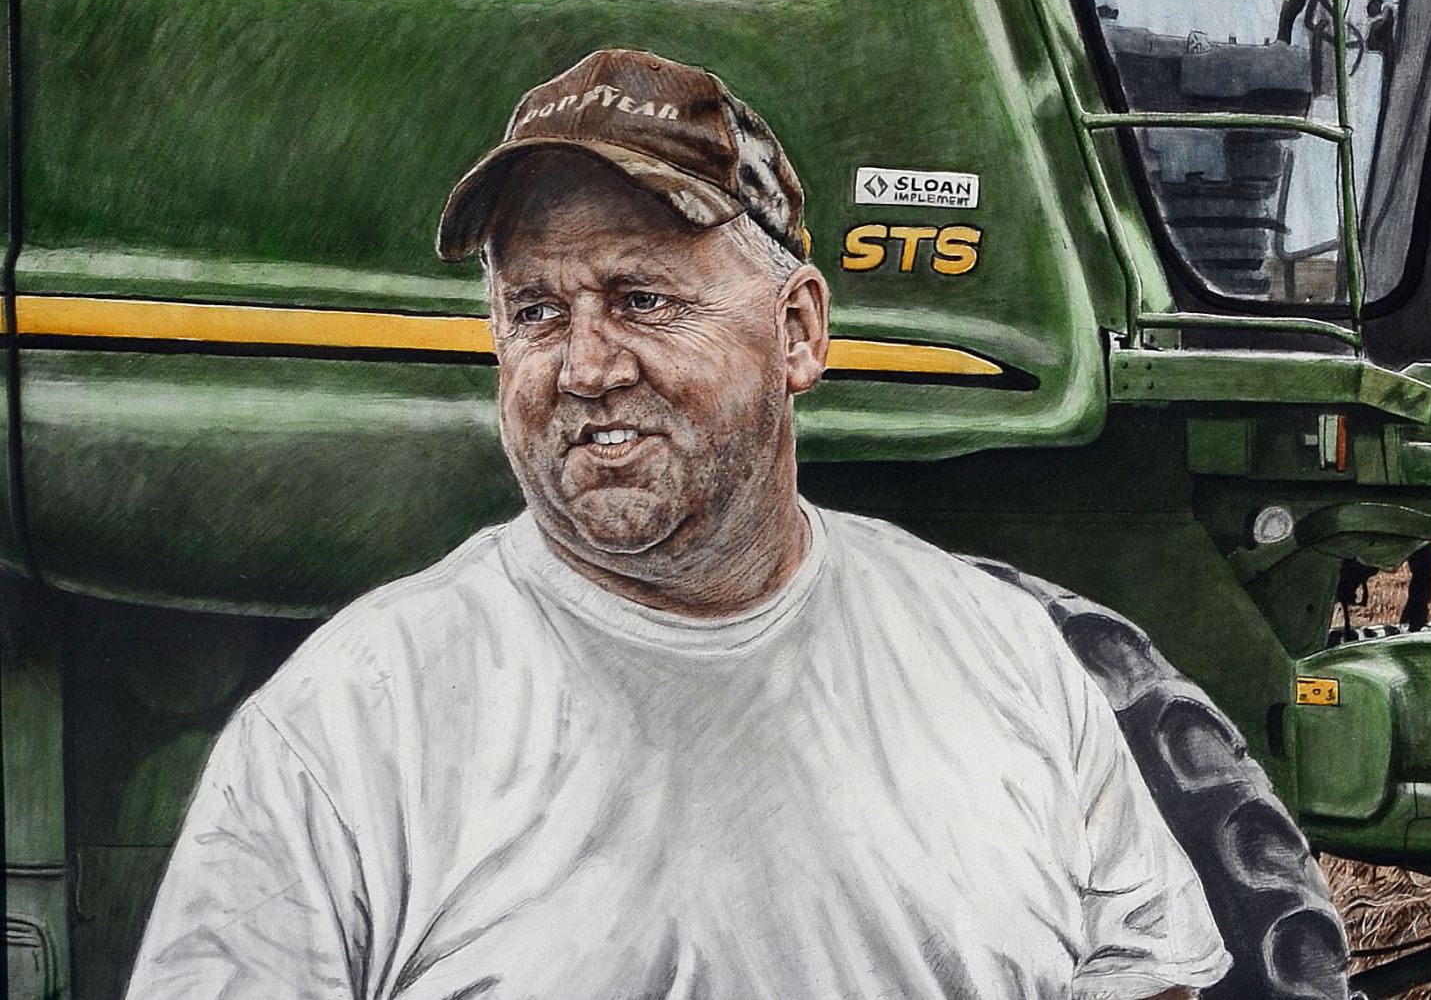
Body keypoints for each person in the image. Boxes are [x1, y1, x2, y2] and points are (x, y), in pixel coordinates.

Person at [128, 50, 1229, 1000]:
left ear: (797, 332)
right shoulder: (353, 722)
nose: (586, 366)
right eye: (536, 312)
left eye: (644, 299)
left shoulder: (999, 656)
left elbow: (1143, 964)